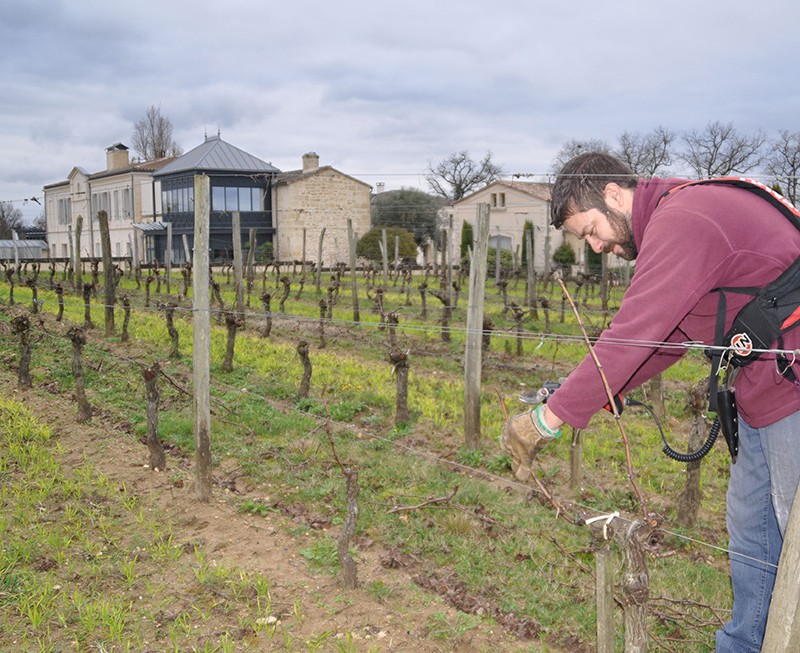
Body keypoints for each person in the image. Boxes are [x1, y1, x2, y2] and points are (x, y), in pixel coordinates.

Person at [500, 151, 800, 652]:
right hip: (762, 391)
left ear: (615, 194)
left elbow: (633, 336)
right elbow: (669, 339)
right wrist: (598, 394)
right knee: (755, 538)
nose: (597, 246)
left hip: (792, 389)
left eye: (592, 229)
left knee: (794, 544)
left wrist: (545, 422)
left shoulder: (682, 221)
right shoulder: (680, 213)